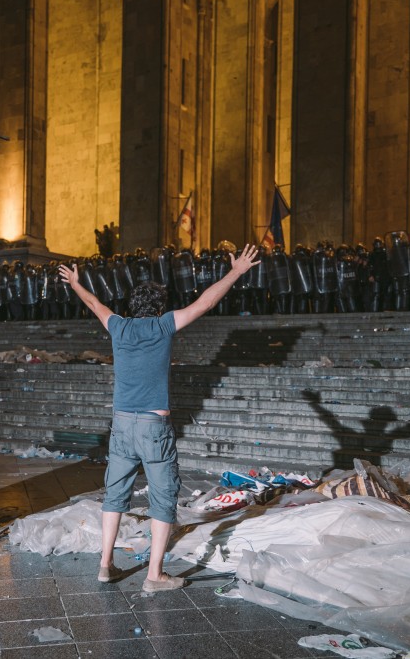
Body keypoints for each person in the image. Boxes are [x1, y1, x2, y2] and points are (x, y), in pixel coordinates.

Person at [59, 243, 260, 593]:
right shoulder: (164, 325)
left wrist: (76, 283)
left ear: (132, 308)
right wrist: (237, 272)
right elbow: (206, 303)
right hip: (153, 426)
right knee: (163, 498)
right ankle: (154, 576)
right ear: (158, 308)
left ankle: (105, 565)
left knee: (114, 496)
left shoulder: (118, 327)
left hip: (120, 424)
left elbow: (94, 304)